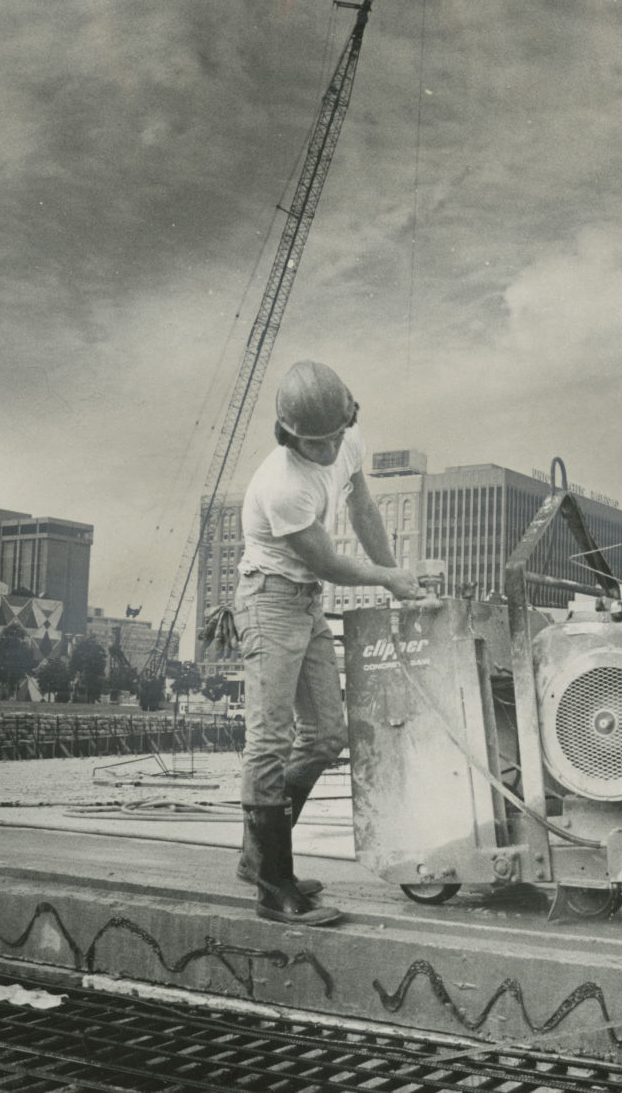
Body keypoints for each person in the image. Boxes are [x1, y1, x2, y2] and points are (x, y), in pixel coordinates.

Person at [234, 360, 425, 926]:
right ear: (289, 435)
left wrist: (397, 576)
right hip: (268, 599)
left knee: (325, 736)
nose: (328, 451)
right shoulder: (282, 485)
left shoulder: (347, 439)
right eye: (315, 443)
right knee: (269, 741)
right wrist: (385, 579)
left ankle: (257, 855)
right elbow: (324, 560)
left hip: (304, 600)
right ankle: (273, 885)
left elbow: (361, 506)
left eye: (335, 437)